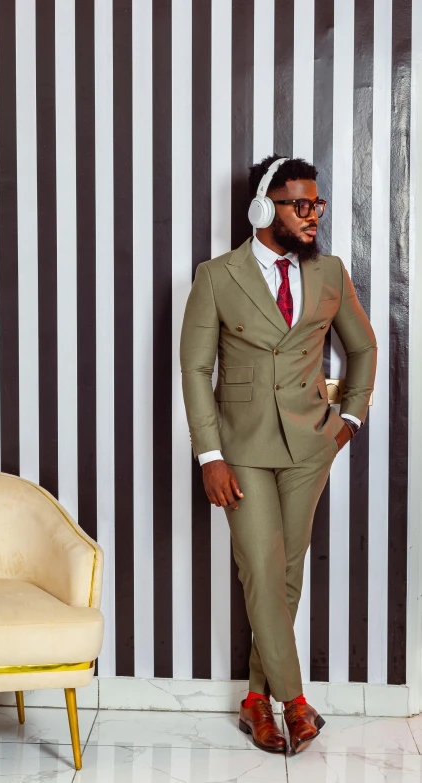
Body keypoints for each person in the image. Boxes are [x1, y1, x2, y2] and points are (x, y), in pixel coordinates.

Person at [180, 155, 377, 754]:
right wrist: (209, 454)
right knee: (262, 568)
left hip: (310, 447)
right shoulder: (217, 275)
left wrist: (348, 421)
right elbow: (195, 368)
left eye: (316, 204)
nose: (313, 215)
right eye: (300, 204)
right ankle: (293, 701)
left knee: (286, 574)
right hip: (239, 448)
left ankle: (253, 701)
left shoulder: (329, 273)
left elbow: (364, 348)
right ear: (264, 209)